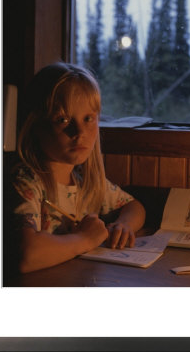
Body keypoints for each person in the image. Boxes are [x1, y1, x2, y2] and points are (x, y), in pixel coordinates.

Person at [10, 62, 146, 273]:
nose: (79, 131)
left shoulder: (86, 184)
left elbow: (134, 207)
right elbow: (27, 255)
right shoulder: (26, 182)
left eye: (88, 119)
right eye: (63, 119)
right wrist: (85, 238)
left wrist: (124, 225)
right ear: (36, 125)